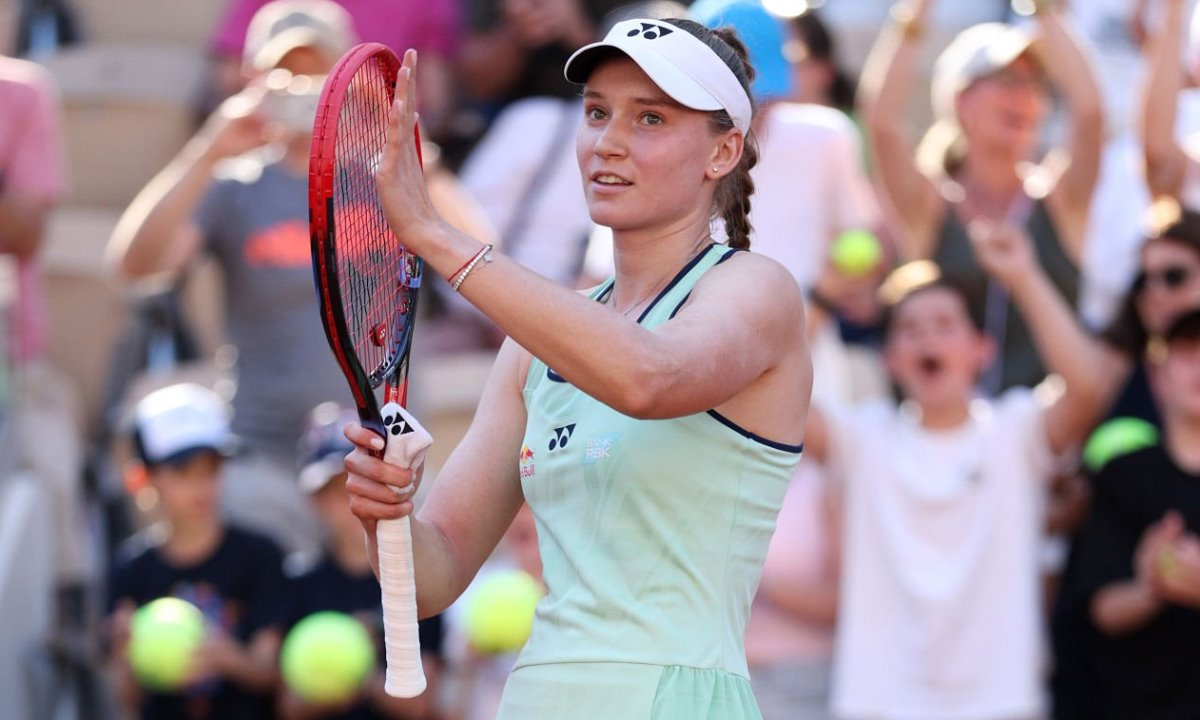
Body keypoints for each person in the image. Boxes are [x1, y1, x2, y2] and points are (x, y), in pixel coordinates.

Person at [345, 17, 811, 719]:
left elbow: (649, 378)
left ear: (723, 151)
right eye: (597, 112)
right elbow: (431, 578)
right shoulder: (536, 343)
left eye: (650, 118)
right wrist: (387, 515)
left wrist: (436, 234)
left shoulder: (757, 289)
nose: (608, 142)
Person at [802, 221, 1103, 719]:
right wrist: (823, 295)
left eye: (945, 325)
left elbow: (1088, 387)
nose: (927, 338)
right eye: (910, 330)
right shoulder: (863, 438)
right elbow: (777, 396)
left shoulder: (1016, 430)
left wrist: (1023, 275)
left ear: (982, 350)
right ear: (891, 359)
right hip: (878, 704)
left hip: (1002, 704)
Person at [108, 0, 366, 557]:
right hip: (263, 460)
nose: (302, 89)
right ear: (253, 79)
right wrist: (208, 151)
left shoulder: (381, 178)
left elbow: (476, 253)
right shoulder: (232, 187)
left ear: (345, 77)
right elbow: (136, 266)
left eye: (317, 72)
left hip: (370, 454)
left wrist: (414, 159)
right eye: (286, 73)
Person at [860, 0, 1103, 392]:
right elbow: (881, 122)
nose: (1024, 96)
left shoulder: (1060, 200)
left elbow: (1090, 114)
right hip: (945, 425)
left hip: (1049, 426)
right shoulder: (930, 207)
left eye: (1034, 84)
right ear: (961, 100)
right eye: (1007, 81)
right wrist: (916, 11)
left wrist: (1042, 8)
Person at [106, 383, 288, 720]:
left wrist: (224, 657)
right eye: (183, 471)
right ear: (141, 479)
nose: (202, 485)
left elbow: (272, 674)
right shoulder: (129, 569)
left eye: (212, 468)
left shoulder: (261, 555)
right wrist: (125, 657)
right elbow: (127, 698)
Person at [1069, 308, 1200, 719]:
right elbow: (1102, 608)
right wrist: (1153, 586)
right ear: (1158, 377)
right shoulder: (1123, 474)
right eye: (1187, 353)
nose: (1199, 368)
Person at [280, 403, 443, 720]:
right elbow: (288, 705)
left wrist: (361, 665)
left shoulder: (416, 578)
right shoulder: (298, 583)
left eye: (366, 484)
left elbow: (421, 704)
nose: (355, 502)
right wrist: (331, 673)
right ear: (316, 501)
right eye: (340, 490)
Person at [0, 48, 90, 587]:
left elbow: (24, 231)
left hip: (14, 369)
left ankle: (65, 611)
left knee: (50, 486)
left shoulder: (22, 91)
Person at [208, 0, 459, 137]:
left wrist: (400, 138)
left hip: (371, 157)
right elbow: (230, 76)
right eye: (291, 73)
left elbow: (434, 103)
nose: (307, 88)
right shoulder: (235, 181)